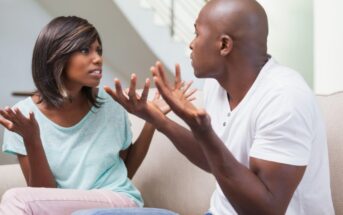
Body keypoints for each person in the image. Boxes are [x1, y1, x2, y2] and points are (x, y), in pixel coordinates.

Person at [104, 0, 335, 214]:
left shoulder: (285, 98)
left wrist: (205, 134)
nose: (191, 44)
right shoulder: (216, 85)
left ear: (224, 45)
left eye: (197, 33)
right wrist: (158, 121)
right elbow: (214, 161)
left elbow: (267, 210)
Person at [0, 16, 193, 215]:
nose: (98, 58)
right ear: (57, 55)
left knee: (15, 199)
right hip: (66, 209)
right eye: (85, 50)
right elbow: (42, 197)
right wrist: (33, 140)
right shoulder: (22, 116)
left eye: (99, 50)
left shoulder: (109, 105)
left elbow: (125, 171)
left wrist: (152, 120)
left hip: (117, 201)